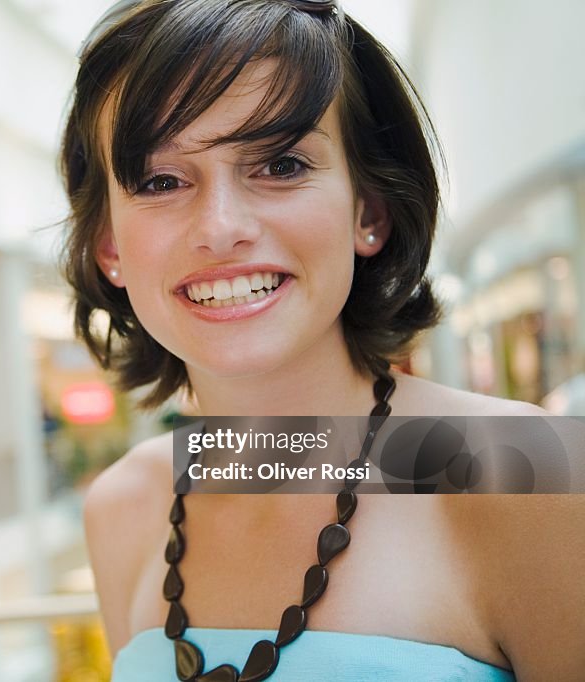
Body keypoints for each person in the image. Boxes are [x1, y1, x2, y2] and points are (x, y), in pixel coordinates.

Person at [59, 1, 585, 680]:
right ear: (110, 247)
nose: (220, 227)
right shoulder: (125, 504)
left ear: (369, 211)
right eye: (161, 181)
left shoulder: (515, 470)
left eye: (279, 166)